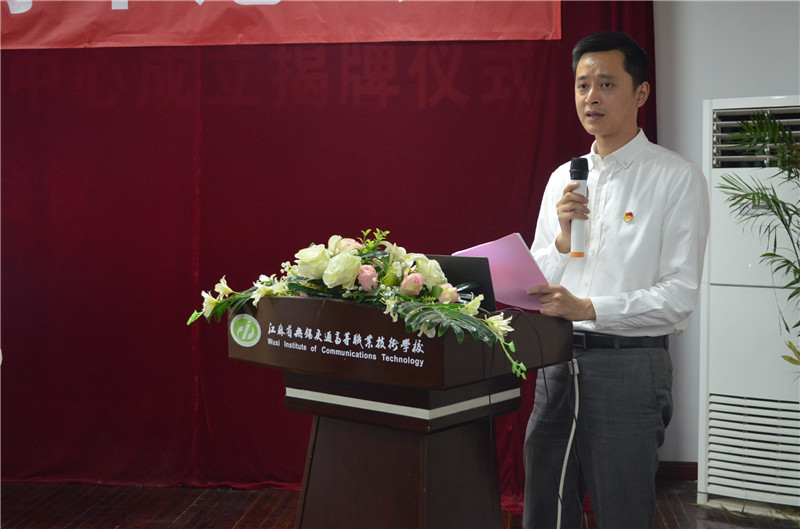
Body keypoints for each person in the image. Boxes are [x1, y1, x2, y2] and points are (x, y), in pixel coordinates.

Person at [523, 31, 709, 529]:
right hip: (556, 362)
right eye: (582, 85)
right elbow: (537, 282)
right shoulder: (563, 178)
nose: (591, 97)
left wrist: (590, 308)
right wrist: (563, 240)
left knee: (623, 511)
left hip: (629, 367)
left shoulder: (676, 178)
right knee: (544, 507)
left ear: (641, 93)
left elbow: (679, 297)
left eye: (606, 84)